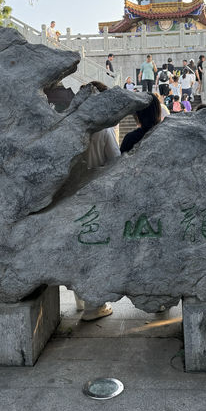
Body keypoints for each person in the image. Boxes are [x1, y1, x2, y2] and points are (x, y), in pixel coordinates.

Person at [76, 81, 119, 320]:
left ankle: (82, 301)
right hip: (96, 201)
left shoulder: (72, 129)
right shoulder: (103, 131)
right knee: (95, 252)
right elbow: (116, 161)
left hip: (73, 199)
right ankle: (95, 306)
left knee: (78, 252)